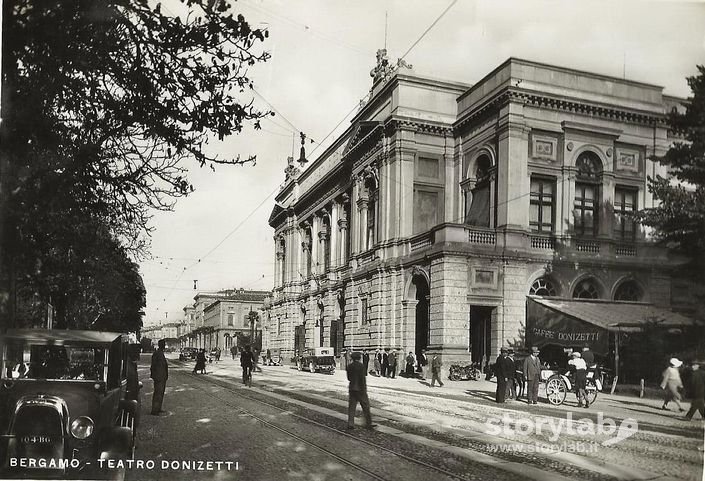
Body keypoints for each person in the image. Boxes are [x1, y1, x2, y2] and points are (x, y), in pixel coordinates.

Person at [346, 351, 375, 430]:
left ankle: (350, 423)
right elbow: (362, 378)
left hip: (352, 388)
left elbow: (348, 378)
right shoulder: (361, 366)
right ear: (359, 358)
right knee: (366, 406)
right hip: (360, 389)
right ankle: (368, 423)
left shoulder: (349, 366)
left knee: (352, 407)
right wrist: (364, 389)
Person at [150, 339, 169, 415]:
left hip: (162, 377)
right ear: (160, 345)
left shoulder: (161, 353)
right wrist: (154, 376)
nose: (164, 346)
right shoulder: (157, 353)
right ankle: (154, 410)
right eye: (163, 344)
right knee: (158, 393)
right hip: (158, 377)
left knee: (161, 393)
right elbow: (153, 365)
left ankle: (158, 408)